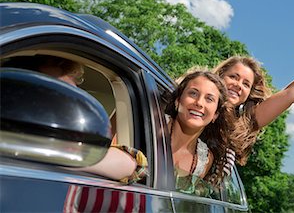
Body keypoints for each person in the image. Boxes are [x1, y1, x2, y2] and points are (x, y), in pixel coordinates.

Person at [2, 55, 147, 184]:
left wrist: (58, 152)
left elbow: (133, 166)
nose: (66, 108)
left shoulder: (66, 143)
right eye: (51, 96)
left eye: (70, 98)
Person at [164, 69, 235, 189]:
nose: (199, 103)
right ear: (177, 101)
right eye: (193, 93)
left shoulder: (204, 160)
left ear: (215, 115)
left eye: (209, 99)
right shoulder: (155, 123)